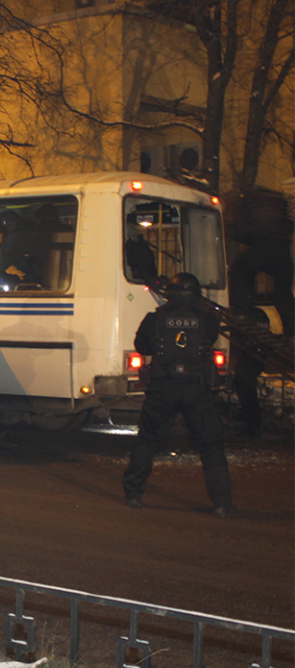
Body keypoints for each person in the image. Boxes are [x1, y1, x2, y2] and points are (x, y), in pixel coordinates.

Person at [123, 272, 236, 518]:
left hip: (163, 388)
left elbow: (142, 346)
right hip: (196, 389)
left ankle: (133, 495)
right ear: (195, 295)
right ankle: (222, 503)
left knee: (148, 441)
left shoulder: (155, 318)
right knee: (211, 446)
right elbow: (209, 339)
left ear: (169, 294)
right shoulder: (207, 319)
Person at [228, 188, 294, 337]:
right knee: (283, 293)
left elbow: (243, 231)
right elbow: (288, 225)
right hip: (283, 249)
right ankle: (292, 331)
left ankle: (242, 309)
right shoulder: (279, 203)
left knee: (240, 271)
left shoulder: (248, 202)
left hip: (264, 244)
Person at [233, 307, 271, 438]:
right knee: (241, 382)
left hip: (252, 356)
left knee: (247, 388)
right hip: (255, 355)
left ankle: (253, 426)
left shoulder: (250, 315)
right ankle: (248, 416)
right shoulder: (259, 314)